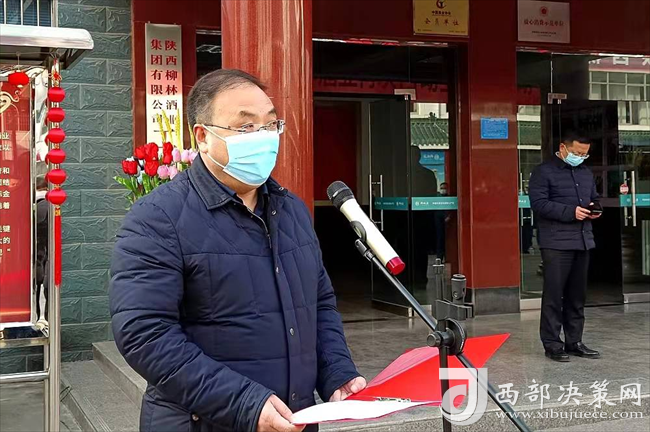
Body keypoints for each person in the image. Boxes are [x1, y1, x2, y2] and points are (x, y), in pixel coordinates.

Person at [109, 69, 366, 432]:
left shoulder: (291, 210)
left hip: (294, 420)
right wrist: (245, 403)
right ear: (203, 137)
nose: (263, 137)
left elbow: (318, 302)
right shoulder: (158, 217)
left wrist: (336, 371)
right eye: (246, 127)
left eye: (270, 125)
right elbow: (145, 333)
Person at [529, 132, 601, 363]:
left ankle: (574, 341)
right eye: (577, 152)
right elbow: (539, 204)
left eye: (584, 154)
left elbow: (594, 197)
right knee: (554, 295)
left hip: (582, 240)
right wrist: (570, 212)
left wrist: (595, 209)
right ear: (563, 148)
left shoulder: (585, 172)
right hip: (556, 242)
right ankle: (552, 344)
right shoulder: (543, 172)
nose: (580, 157)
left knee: (577, 296)